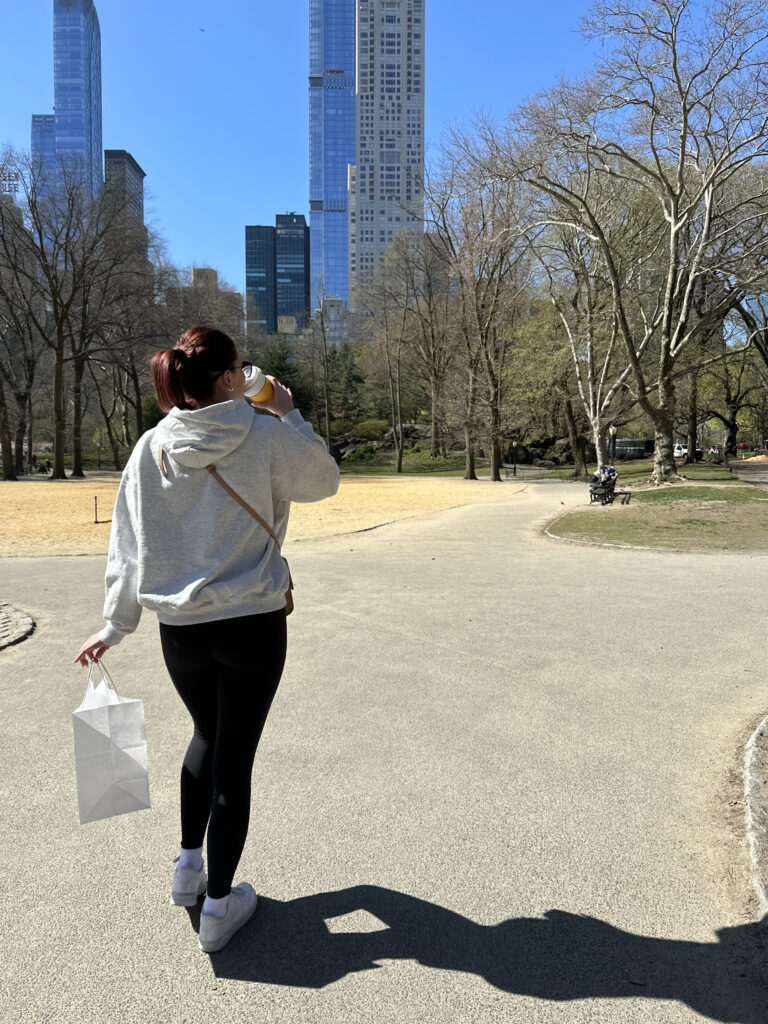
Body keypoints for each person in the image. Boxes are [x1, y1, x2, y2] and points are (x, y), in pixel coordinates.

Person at [74, 326, 339, 953]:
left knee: (205, 736)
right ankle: (219, 908)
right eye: (240, 368)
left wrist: (115, 624)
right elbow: (324, 479)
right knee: (233, 759)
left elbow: (127, 542)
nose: (247, 374)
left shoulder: (151, 447)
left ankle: (188, 869)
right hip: (251, 622)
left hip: (182, 630)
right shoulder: (265, 433)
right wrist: (289, 412)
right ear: (225, 379)